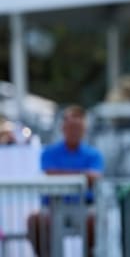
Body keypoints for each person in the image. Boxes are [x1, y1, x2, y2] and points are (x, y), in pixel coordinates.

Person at [27, 105, 104, 256]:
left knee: (96, 221)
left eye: (78, 127)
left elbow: (94, 177)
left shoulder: (94, 154)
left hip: (85, 208)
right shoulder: (49, 152)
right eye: (71, 126)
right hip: (52, 208)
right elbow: (50, 174)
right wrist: (82, 176)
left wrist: (62, 175)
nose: (74, 131)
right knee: (35, 221)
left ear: (84, 129)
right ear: (63, 128)